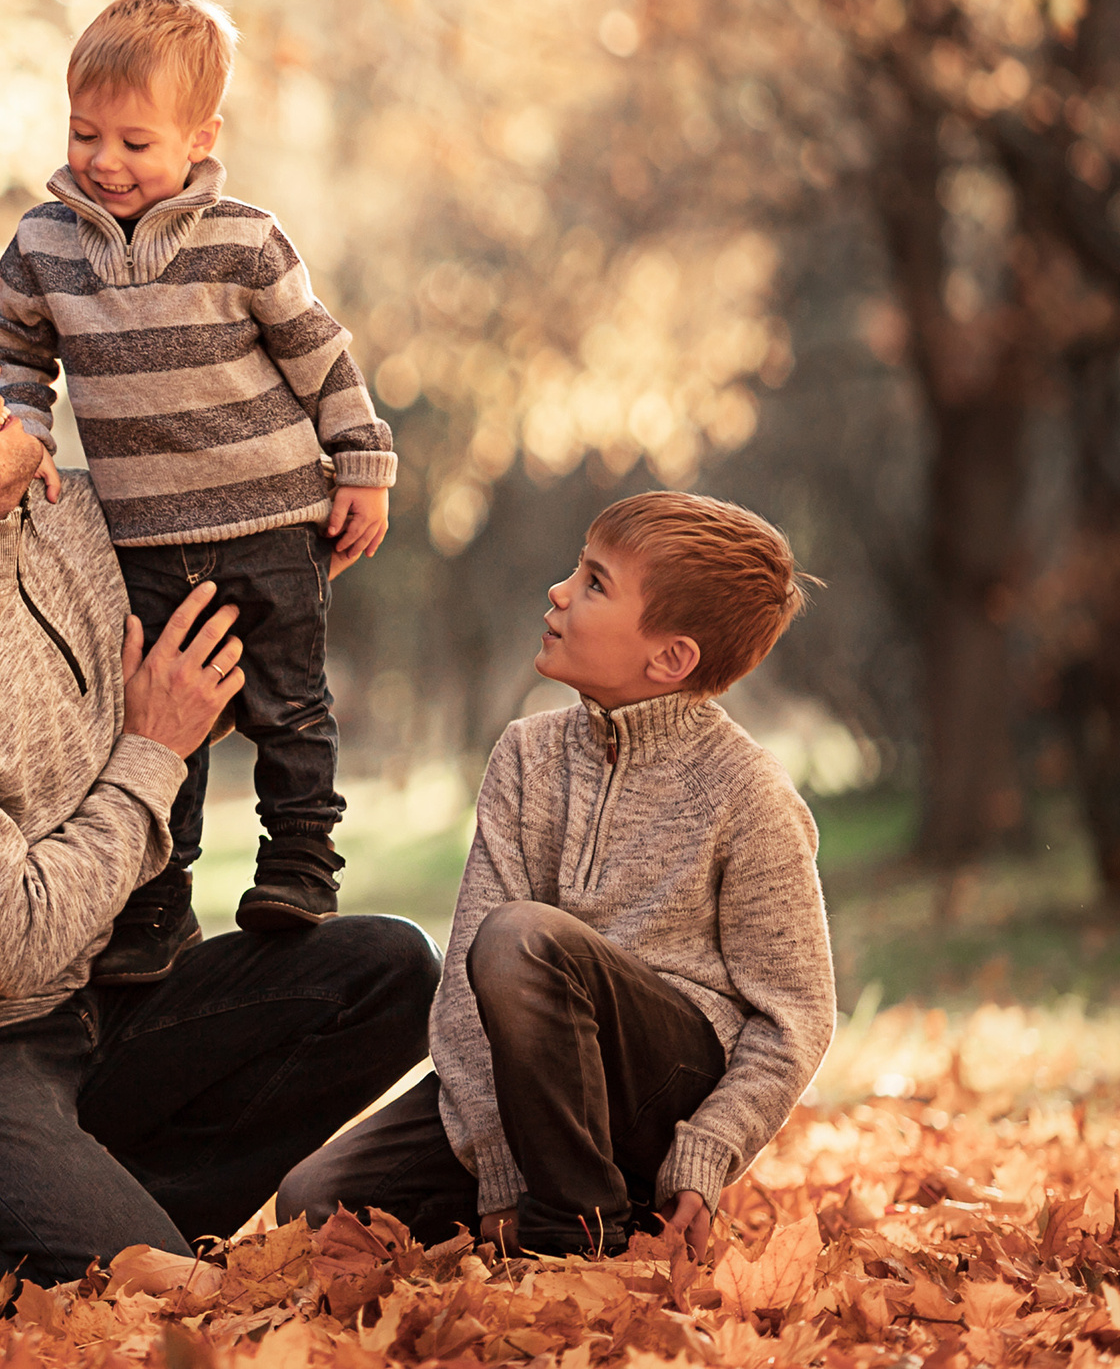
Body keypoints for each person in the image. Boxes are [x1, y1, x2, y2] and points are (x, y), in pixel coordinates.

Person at [0, 330, 437, 1310]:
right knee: (160, 1297)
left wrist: (337, 490)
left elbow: (233, 550)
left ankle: (107, 1222)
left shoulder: (71, 515)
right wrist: (157, 748)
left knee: (386, 974)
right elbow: (14, 944)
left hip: (96, 997)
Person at [277, 492, 836, 1258]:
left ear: (670, 658)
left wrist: (705, 1155)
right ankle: (572, 1202)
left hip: (656, 1094)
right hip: (524, 1086)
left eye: (596, 583)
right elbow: (468, 992)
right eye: (578, 566)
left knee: (520, 940)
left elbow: (794, 1017)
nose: (560, 590)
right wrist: (499, 1171)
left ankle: (579, 1235)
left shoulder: (749, 796)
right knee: (313, 1206)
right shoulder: (525, 756)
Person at [0, 0, 396, 984]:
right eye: (85, 134)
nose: (104, 161)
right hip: (143, 536)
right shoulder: (43, 247)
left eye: (134, 141)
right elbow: (12, 362)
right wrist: (24, 444)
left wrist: (363, 463)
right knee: (166, 715)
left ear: (200, 137)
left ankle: (300, 864)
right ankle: (158, 906)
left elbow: (319, 355)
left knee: (287, 704)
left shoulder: (244, 240)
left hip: (272, 516)